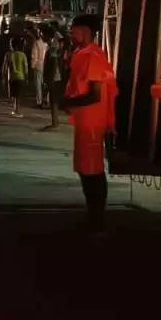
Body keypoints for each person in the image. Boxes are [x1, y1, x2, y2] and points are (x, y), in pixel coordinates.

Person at [60, 15, 117, 231]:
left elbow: (95, 95)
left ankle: (97, 220)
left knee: (92, 172)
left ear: (84, 31)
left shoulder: (93, 56)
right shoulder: (82, 54)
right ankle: (94, 217)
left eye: (73, 30)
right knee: (86, 170)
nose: (71, 34)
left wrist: (68, 101)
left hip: (92, 122)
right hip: (85, 121)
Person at [41, 28, 66, 131]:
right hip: (54, 77)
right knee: (53, 100)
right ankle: (54, 122)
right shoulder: (52, 47)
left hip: (53, 78)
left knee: (53, 100)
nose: (41, 36)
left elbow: (54, 65)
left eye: (42, 34)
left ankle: (54, 123)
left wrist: (50, 80)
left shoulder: (52, 49)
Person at [31, 27, 48, 108]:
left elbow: (34, 56)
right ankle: (45, 100)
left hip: (38, 65)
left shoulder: (36, 43)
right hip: (45, 65)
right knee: (43, 83)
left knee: (38, 84)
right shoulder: (46, 44)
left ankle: (39, 101)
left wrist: (33, 66)